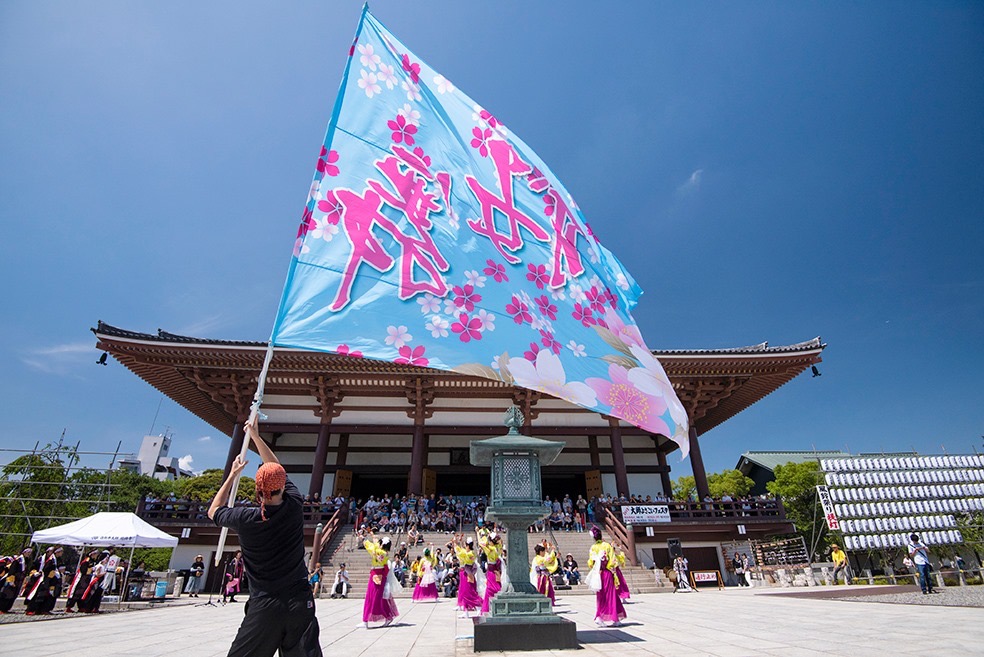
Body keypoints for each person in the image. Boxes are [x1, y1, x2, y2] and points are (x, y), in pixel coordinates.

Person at [209, 416, 322, 657]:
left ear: (257, 491)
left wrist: (232, 476)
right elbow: (276, 466)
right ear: (283, 486)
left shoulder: (244, 518)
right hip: (299, 601)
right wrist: (257, 437)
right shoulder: (293, 506)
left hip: (264, 603)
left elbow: (214, 511)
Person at [586, 527, 625, 626]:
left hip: (598, 573)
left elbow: (590, 563)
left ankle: (600, 616)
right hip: (607, 573)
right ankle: (614, 618)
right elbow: (612, 559)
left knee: (601, 595)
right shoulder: (607, 546)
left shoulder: (593, 548)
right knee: (610, 594)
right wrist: (611, 567)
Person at [361, 530, 399, 627]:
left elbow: (372, 548)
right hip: (376, 574)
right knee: (375, 597)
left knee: (374, 597)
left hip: (378, 575)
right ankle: (366, 619)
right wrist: (373, 535)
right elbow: (375, 545)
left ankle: (385, 616)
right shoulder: (382, 552)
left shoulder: (380, 553)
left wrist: (365, 540)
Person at [25, 546, 63, 615]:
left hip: (50, 580)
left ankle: (43, 609)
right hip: (40, 578)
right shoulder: (42, 559)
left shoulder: (56, 560)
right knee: (37, 594)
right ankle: (31, 609)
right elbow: (42, 569)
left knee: (47, 595)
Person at [452, 534, 483, 616]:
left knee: (469, 592)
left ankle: (479, 606)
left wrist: (456, 543)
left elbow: (459, 551)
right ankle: (465, 611)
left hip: (467, 574)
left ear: (467, 545)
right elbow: (461, 550)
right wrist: (459, 541)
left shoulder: (469, 554)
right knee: (464, 592)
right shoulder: (471, 552)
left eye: (465, 545)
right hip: (465, 573)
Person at [476, 527, 503, 613]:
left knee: (491, 589)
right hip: (496, 569)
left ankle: (486, 608)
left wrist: (477, 533)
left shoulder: (491, 549)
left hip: (491, 570)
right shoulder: (498, 547)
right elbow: (499, 542)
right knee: (496, 586)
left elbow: (481, 543)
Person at [0, 548, 31, 613]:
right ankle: (1, 608)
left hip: (19, 581)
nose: (29, 554)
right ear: (24, 552)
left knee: (13, 595)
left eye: (30, 553)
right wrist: (11, 581)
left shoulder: (26, 560)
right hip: (13, 580)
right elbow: (12, 571)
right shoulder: (18, 560)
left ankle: (7, 608)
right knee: (7, 594)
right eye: (28, 552)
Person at [531, 541, 559, 606]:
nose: (544, 553)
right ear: (540, 552)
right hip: (541, 577)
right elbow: (548, 559)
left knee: (547, 589)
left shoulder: (537, 558)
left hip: (543, 576)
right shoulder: (539, 559)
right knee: (543, 588)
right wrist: (553, 550)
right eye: (543, 551)